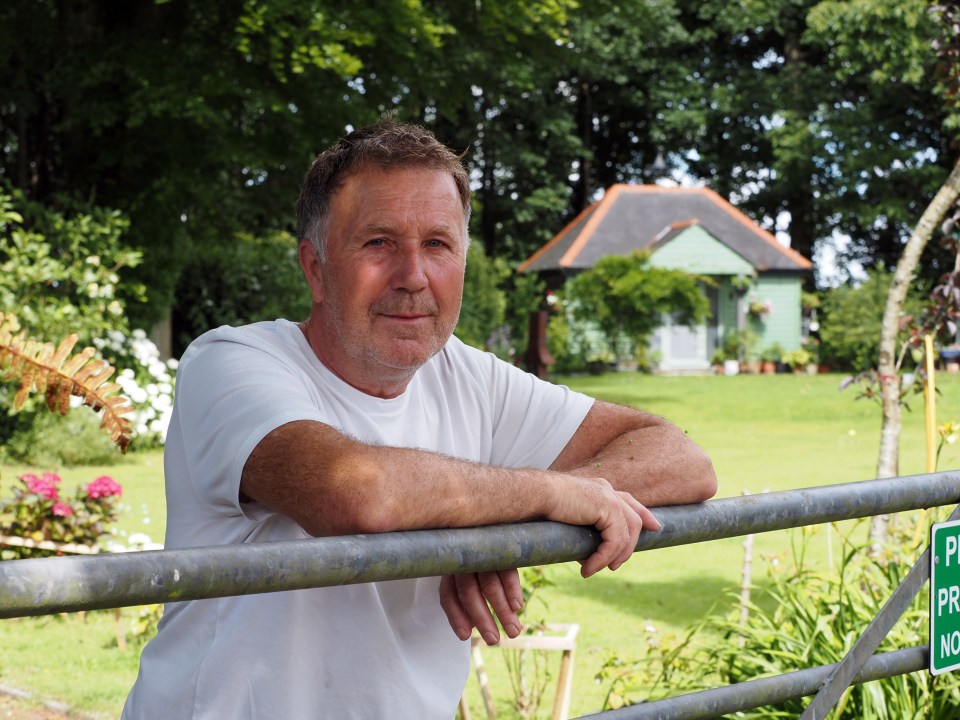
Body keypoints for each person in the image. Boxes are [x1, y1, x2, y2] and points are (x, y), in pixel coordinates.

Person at [122, 118, 717, 719]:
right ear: (316, 269)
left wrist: (492, 527)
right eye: (378, 242)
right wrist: (547, 494)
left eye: (438, 244)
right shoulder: (231, 365)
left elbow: (682, 460)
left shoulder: (468, 377)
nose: (413, 276)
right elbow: (357, 494)